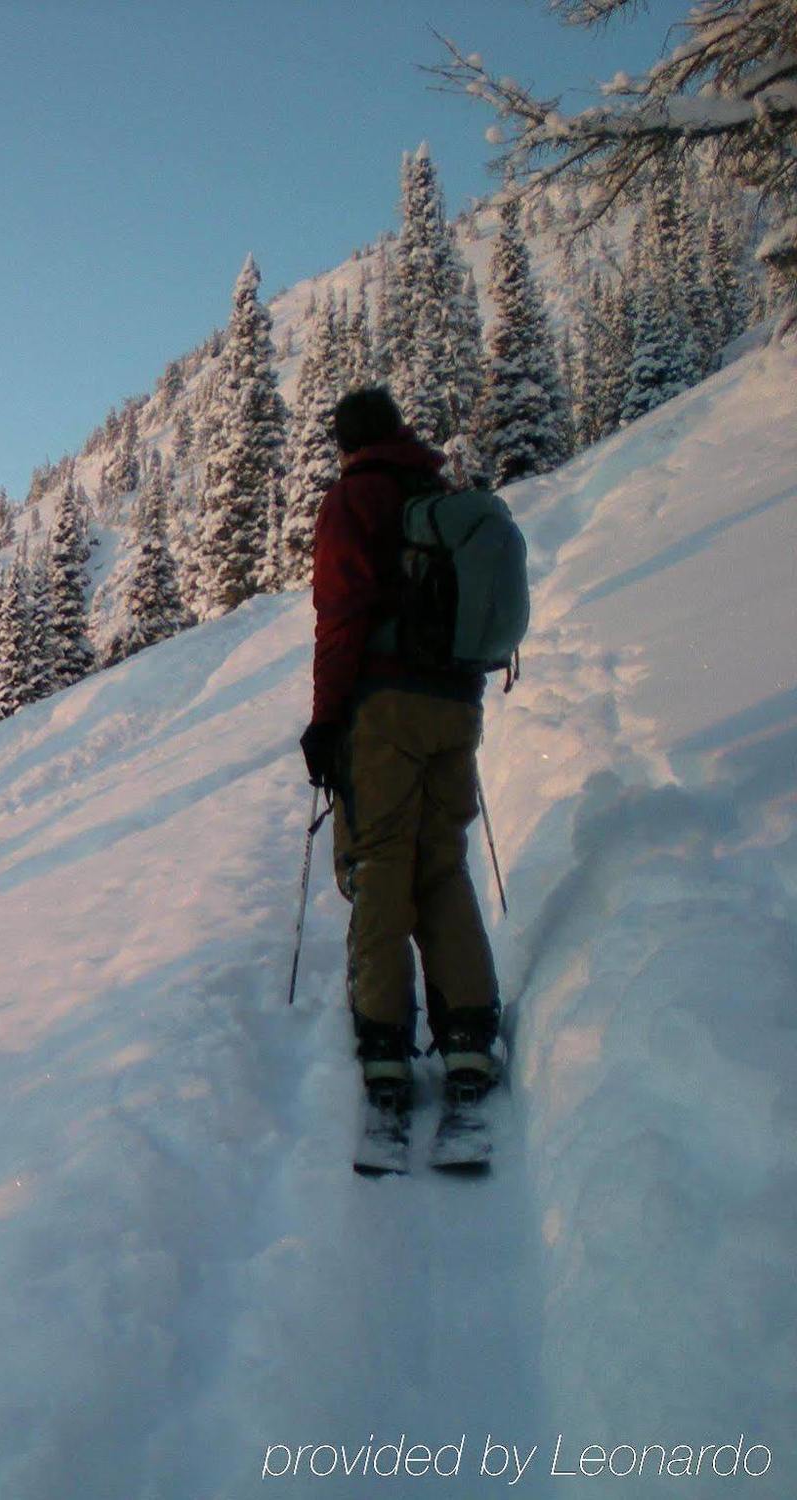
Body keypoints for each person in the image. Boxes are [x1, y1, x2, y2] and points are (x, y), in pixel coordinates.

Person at [300, 387, 501, 1114]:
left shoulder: (353, 501)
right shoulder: (436, 491)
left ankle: (385, 1044)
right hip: (458, 704)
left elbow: (341, 618)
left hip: (386, 708)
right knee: (442, 861)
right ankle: (469, 1033)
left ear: (346, 445)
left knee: (382, 863)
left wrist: (325, 723)